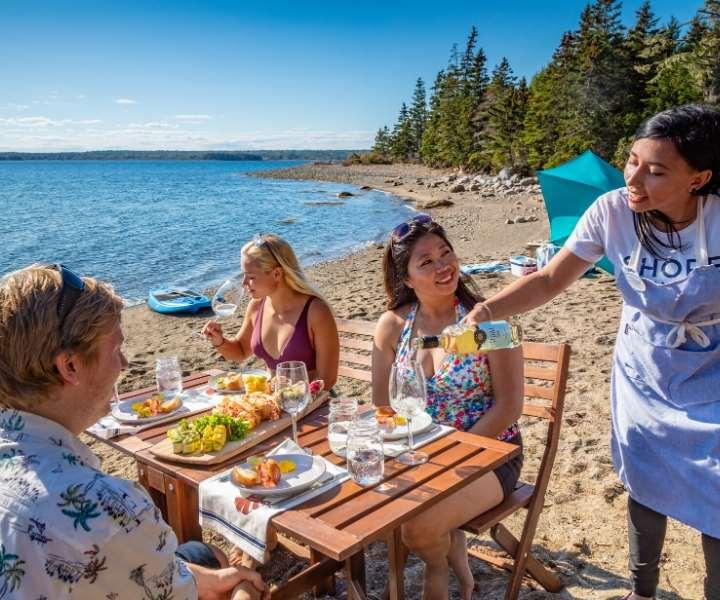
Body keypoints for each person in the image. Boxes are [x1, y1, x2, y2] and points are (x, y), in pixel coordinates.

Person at [464, 104, 720, 600]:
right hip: (643, 366)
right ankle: (641, 591)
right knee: (644, 478)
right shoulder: (611, 211)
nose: (635, 178)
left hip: (711, 367)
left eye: (656, 170)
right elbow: (548, 280)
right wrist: (486, 311)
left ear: (699, 178)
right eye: (631, 160)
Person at [0, 264, 267, 600]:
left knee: (202, 558)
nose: (124, 364)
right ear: (70, 366)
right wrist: (246, 586)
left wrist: (208, 580)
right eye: (116, 351)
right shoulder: (110, 511)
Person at [372, 216, 524, 600]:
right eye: (426, 262)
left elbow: (509, 406)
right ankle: (453, 558)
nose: (443, 266)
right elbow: (381, 405)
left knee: (417, 529)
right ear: (406, 278)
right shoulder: (392, 327)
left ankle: (437, 568)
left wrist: (451, 457)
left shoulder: (490, 323)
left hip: (489, 454)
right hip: (417, 453)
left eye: (446, 253)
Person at [203, 234, 339, 390]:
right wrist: (219, 340)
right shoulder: (256, 306)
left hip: (311, 404)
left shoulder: (316, 312)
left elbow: (327, 379)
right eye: (244, 275)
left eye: (251, 277)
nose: (244, 283)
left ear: (277, 274)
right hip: (273, 402)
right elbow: (240, 351)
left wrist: (291, 398)